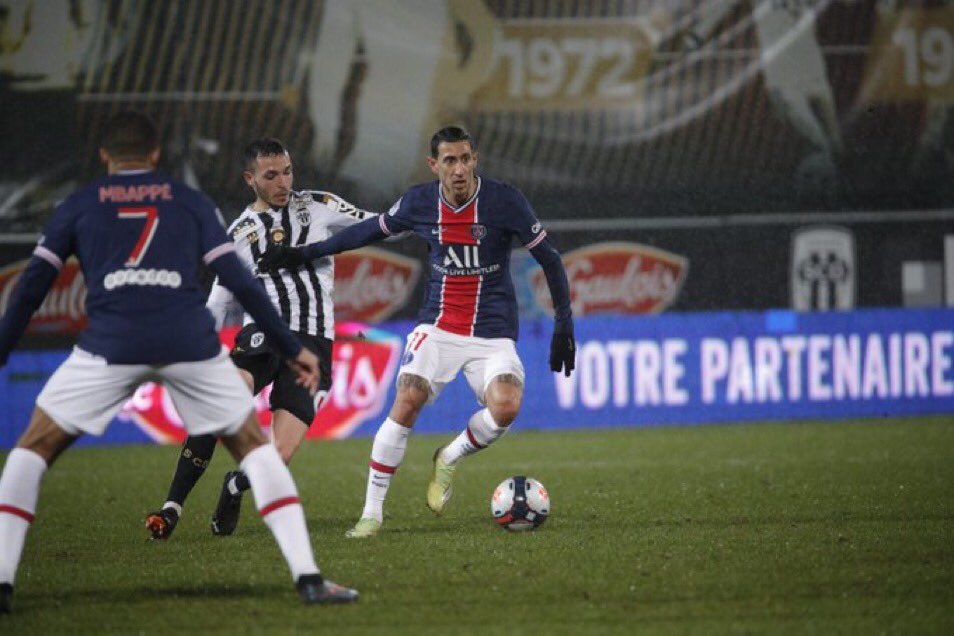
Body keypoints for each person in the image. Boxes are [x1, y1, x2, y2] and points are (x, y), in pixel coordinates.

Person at [0, 111, 357, 613]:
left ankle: (3, 582)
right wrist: (291, 344)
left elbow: (30, 289)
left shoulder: (77, 206)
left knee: (31, 450)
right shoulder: (190, 203)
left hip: (110, 341)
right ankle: (310, 579)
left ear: (105, 157)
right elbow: (243, 284)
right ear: (154, 157)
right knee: (256, 451)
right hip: (183, 338)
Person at [259, 125, 576, 538]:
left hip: (493, 332)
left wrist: (563, 323)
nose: (459, 169)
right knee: (407, 399)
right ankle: (372, 514)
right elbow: (368, 231)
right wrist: (303, 253)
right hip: (438, 326)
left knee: (506, 407)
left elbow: (550, 260)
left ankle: (449, 456)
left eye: (465, 159)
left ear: (474, 159)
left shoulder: (505, 201)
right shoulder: (419, 202)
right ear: (434, 165)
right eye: (449, 161)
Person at [145, 138, 374, 540]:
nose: (283, 181)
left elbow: (377, 225)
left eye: (287, 171)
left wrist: (414, 217)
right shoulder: (240, 233)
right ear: (250, 179)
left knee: (279, 455)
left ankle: (235, 485)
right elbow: (220, 299)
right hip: (265, 336)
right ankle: (171, 508)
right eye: (271, 175)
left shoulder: (320, 204)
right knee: (222, 403)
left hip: (315, 344)